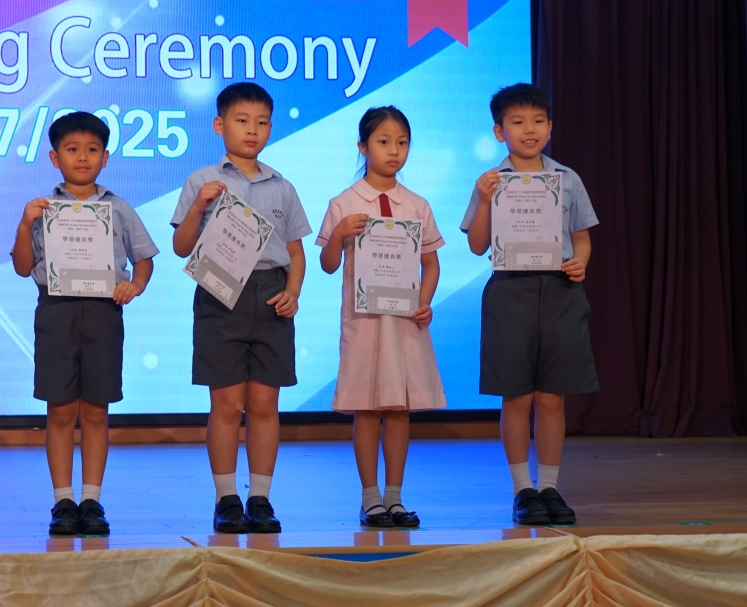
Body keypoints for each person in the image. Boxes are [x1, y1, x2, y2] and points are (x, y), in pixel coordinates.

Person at [171, 82, 311, 534]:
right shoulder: (201, 181)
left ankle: (261, 498)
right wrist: (199, 206)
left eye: (262, 122)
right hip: (219, 293)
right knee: (227, 404)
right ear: (220, 125)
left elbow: (296, 252)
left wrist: (293, 291)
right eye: (242, 120)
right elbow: (180, 246)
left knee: (265, 403)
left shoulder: (282, 187)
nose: (252, 130)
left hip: (270, 294)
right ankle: (226, 498)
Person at [11, 112, 157, 536]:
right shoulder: (43, 210)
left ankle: (91, 499)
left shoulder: (119, 208)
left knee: (96, 410)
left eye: (92, 150)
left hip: (103, 313)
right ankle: (62, 501)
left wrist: (135, 285)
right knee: (59, 410)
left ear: (105, 157)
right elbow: (22, 267)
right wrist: (25, 223)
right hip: (56, 312)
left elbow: (144, 259)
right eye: (72, 149)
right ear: (54, 157)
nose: (82, 157)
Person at [460, 83, 599, 525]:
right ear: (500, 132)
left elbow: (581, 238)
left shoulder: (567, 179)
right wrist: (485, 199)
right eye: (518, 122)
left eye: (538, 121)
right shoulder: (490, 182)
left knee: (552, 397)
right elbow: (477, 245)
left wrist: (580, 263)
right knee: (517, 396)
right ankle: (523, 489)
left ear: (550, 127)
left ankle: (550, 487)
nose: (529, 129)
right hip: (510, 291)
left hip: (559, 292)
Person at [317, 107, 446, 528]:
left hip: (405, 323)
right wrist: (339, 234)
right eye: (384, 142)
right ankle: (370, 497)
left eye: (402, 143)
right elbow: (328, 265)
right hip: (365, 323)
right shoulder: (344, 202)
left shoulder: (417, 205)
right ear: (363, 146)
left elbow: (432, 263)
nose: (394, 151)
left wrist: (425, 301)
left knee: (399, 408)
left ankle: (395, 496)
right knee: (367, 409)